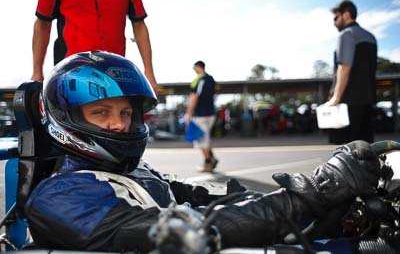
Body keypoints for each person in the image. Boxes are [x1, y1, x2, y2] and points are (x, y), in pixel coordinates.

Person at [25, 51, 381, 253]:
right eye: (101, 113)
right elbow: (188, 232)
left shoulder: (135, 173)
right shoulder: (63, 194)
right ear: (66, 119)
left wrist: (314, 197)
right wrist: (311, 196)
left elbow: (210, 198)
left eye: (125, 112)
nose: (119, 125)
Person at [31, 0, 157, 91]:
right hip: (71, 70)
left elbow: (139, 25)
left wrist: (149, 72)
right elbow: (43, 24)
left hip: (114, 72)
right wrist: (37, 73)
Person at [327, 0, 377, 144]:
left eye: (336, 17)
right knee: (366, 148)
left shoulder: (346, 34)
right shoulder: (371, 37)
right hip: (367, 102)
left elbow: (344, 68)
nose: (334, 22)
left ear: (346, 15)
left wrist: (335, 98)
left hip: (347, 104)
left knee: (346, 151)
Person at [185, 61, 218, 172]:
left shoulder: (199, 80)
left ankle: (208, 162)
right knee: (206, 138)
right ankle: (212, 158)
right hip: (211, 113)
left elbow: (194, 96)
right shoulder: (211, 79)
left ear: (199, 67)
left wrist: (188, 113)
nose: (194, 70)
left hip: (200, 114)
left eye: (194, 68)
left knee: (201, 140)